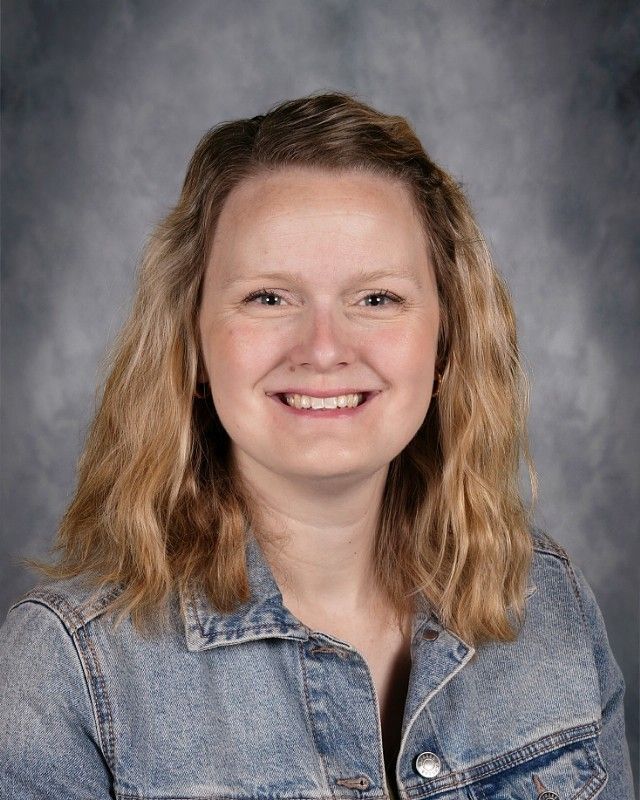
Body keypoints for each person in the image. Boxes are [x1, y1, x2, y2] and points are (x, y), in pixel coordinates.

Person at [0, 91, 634, 800]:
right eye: (269, 297)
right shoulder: (69, 670)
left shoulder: (547, 601)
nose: (324, 349)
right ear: (194, 346)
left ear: (447, 342)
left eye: (377, 298)